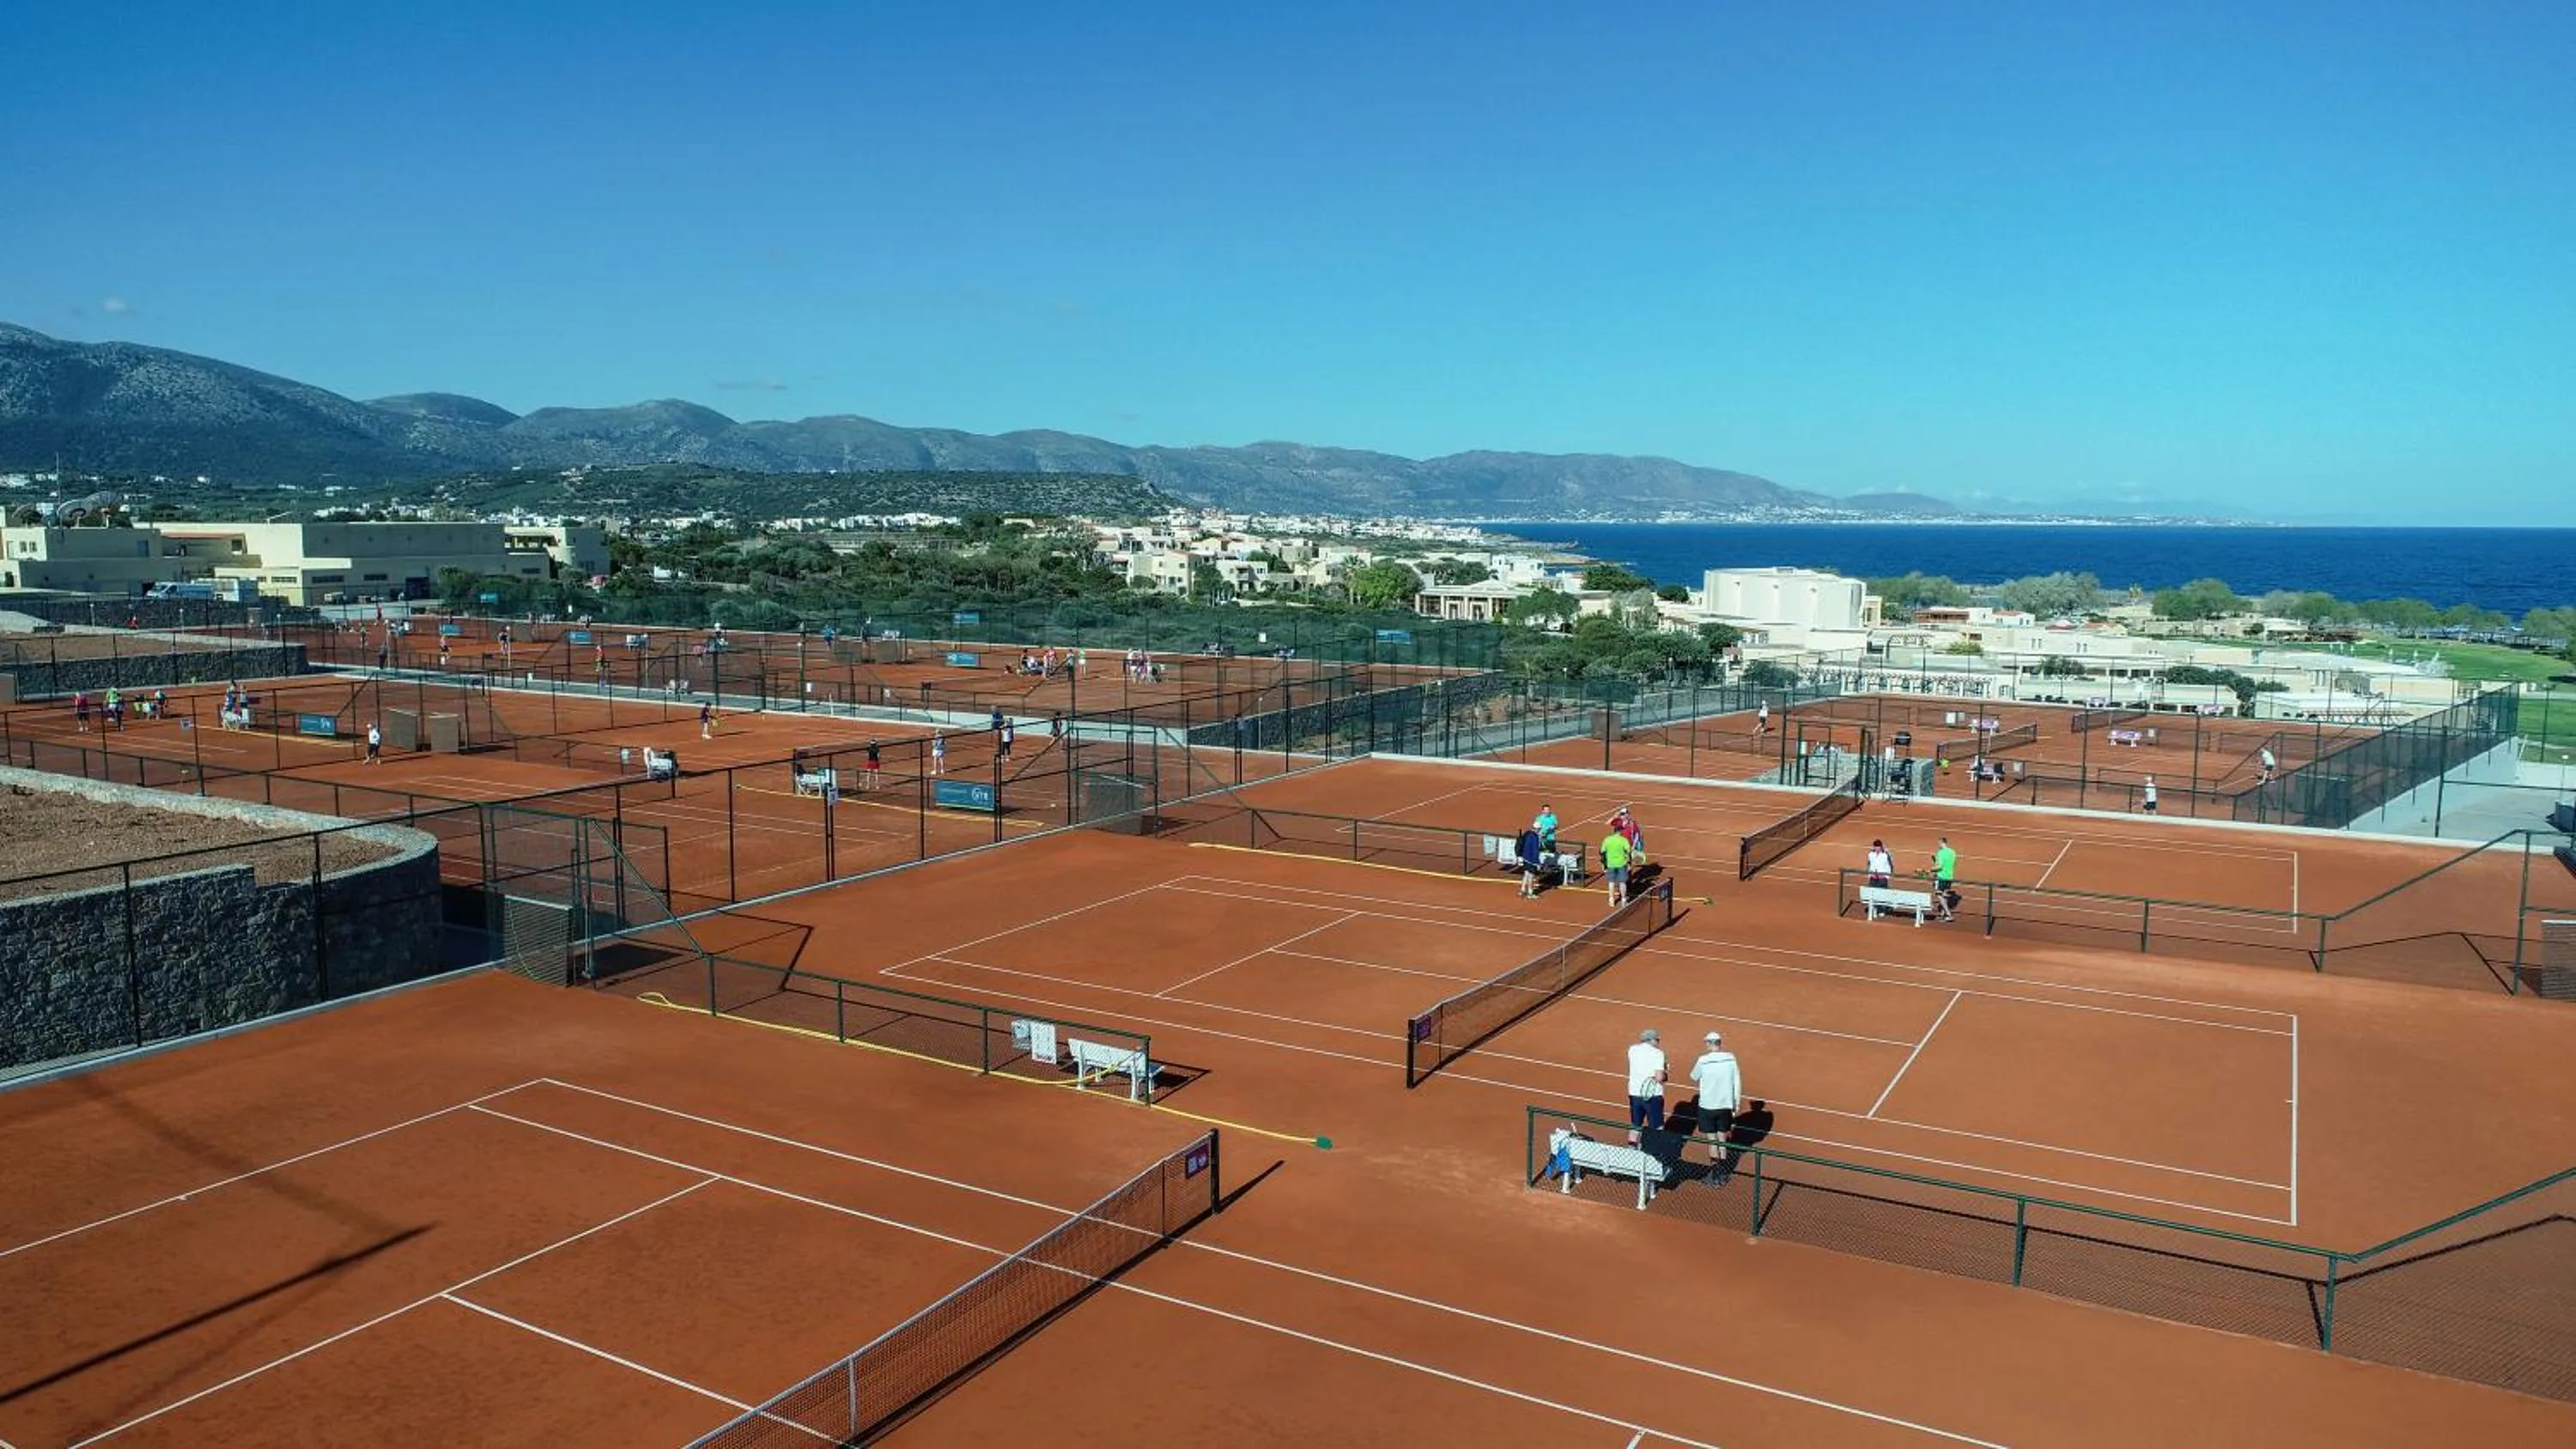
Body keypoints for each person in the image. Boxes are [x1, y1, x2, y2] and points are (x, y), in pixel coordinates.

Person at [1689, 1031, 1743, 1175]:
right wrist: (1736, 1104)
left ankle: (1715, 1171)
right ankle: (1724, 1170)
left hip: (1707, 1106)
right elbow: (1737, 1082)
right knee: (1722, 1138)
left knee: (1712, 1140)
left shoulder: (1703, 1060)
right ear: (1719, 1043)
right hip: (1725, 1105)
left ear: (1708, 1043)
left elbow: (1694, 1076)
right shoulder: (1731, 1059)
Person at [1625, 1028, 1667, 1146]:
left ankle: (1631, 1150)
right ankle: (1653, 1152)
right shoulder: (1658, 1054)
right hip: (1652, 1095)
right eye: (1657, 1040)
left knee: (1635, 1125)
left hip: (1634, 1093)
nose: (1658, 1042)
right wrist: (1665, 1074)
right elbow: (1659, 1077)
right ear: (1652, 1040)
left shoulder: (1632, 1050)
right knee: (1657, 1127)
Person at [1931, 836, 1959, 922]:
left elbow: (1939, 866)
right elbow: (1951, 864)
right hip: (1949, 876)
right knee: (1945, 895)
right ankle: (1943, 914)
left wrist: (1931, 869)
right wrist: (1935, 860)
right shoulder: (1953, 852)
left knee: (1939, 895)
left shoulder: (1941, 852)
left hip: (1941, 877)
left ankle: (1948, 914)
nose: (1938, 845)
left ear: (1941, 843)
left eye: (1938, 843)